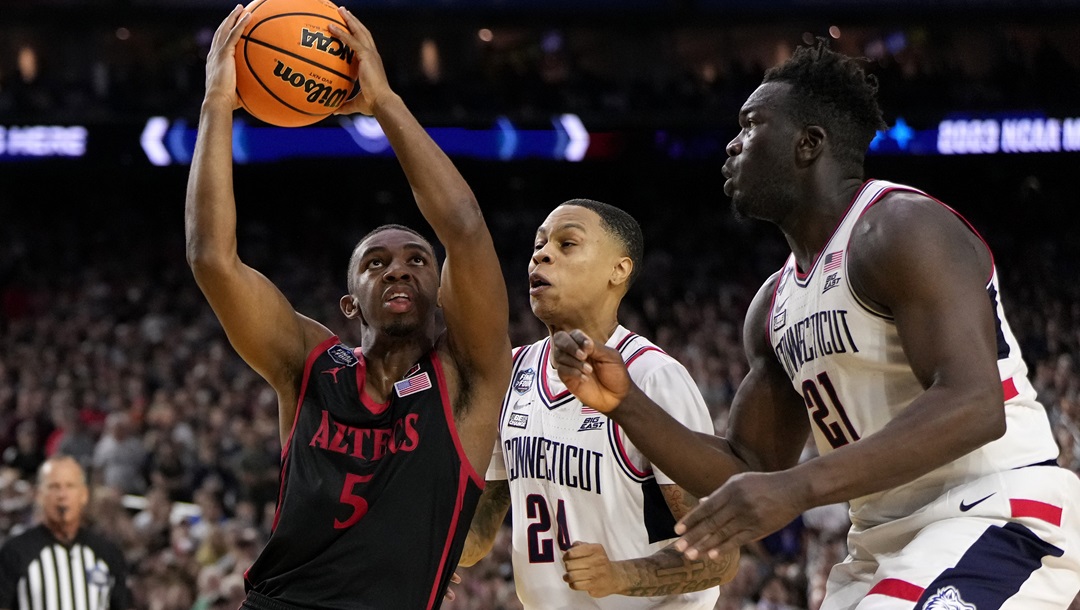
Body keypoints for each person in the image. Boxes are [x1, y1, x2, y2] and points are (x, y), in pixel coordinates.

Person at [550, 40, 1080, 608]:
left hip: (996, 508)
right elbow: (749, 468)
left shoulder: (900, 228)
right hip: (882, 541)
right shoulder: (773, 304)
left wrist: (795, 488)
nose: (731, 145)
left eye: (751, 126)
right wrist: (627, 404)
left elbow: (975, 404)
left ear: (809, 144)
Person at [185, 6, 510, 609]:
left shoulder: (469, 376)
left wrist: (383, 101)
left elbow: (464, 228)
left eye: (417, 259)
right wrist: (216, 108)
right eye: (375, 263)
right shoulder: (307, 364)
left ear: (442, 292)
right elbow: (213, 260)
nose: (397, 267)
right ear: (349, 302)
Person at [459, 199, 738, 608]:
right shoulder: (513, 371)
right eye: (539, 244)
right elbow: (480, 529)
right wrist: (427, 555)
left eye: (567, 243)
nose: (541, 253)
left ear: (618, 270)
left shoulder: (653, 377)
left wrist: (622, 575)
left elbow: (722, 554)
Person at [0, 455, 132, 610]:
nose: (62, 496)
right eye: (54, 487)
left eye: (70, 486)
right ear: (40, 495)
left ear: (84, 495)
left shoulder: (107, 552)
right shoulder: (15, 552)